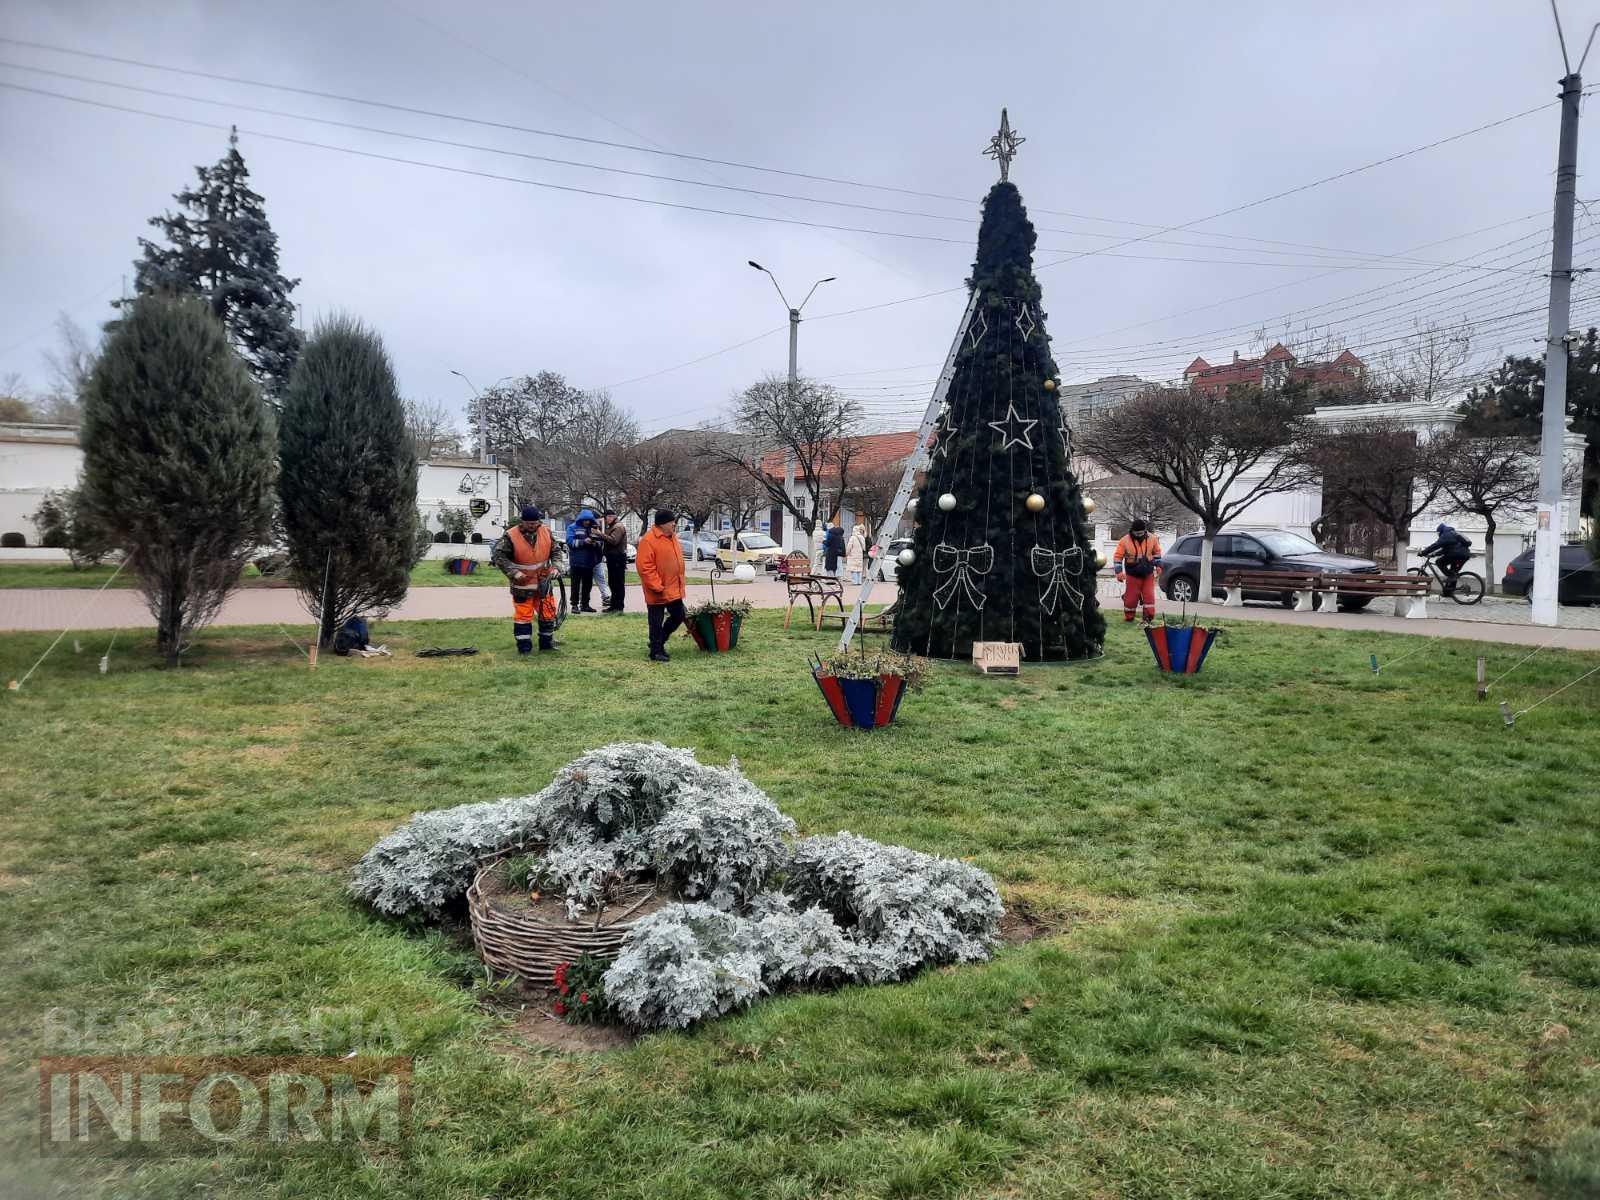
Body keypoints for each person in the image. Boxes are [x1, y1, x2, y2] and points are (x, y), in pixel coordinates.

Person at [491, 505, 565, 653]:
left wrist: (557, 567)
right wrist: (514, 573)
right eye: (529, 523)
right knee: (523, 616)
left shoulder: (546, 531)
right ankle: (524, 648)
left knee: (548, 613)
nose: (533, 526)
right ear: (522, 522)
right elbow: (499, 557)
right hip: (522, 585)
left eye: (535, 522)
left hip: (544, 582)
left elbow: (556, 551)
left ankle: (547, 644)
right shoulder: (510, 535)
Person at [636, 509, 687, 662]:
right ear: (663, 524)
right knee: (656, 622)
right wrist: (656, 586)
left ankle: (657, 643)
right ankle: (656, 652)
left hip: (673, 587)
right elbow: (644, 567)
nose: (674, 524)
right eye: (672, 522)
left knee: (679, 615)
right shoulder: (649, 540)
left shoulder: (672, 537)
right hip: (657, 589)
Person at [1112, 519, 1163, 623]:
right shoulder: (1124, 541)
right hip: (1132, 573)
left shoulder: (1153, 539)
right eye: (1137, 533)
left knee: (1149, 596)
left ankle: (1148, 617)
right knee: (1131, 598)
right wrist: (1119, 572)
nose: (1139, 535)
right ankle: (1129, 617)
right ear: (1132, 531)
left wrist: (1159, 566)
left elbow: (1157, 553)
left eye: (1141, 532)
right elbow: (1118, 557)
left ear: (1145, 530)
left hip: (1148, 572)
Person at [565, 508, 602, 613]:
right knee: (575, 585)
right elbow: (570, 542)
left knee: (587, 585)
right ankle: (574, 605)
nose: (587, 522)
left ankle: (585, 604)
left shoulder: (593, 528)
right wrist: (584, 542)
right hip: (576, 562)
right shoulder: (572, 528)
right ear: (581, 519)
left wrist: (595, 543)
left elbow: (600, 542)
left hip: (589, 562)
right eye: (585, 520)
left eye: (589, 520)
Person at [1420, 522, 1472, 594]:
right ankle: (1448, 592)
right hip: (1464, 555)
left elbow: (1435, 545)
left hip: (1457, 554)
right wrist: (1434, 554)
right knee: (1453, 573)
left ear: (1441, 530)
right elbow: (1446, 550)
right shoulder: (1453, 533)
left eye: (1438, 533)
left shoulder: (1446, 534)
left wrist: (1423, 552)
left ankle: (1451, 579)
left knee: (1439, 562)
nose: (1438, 535)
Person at [599, 509, 629, 613]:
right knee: (612, 582)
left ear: (611, 517)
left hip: (618, 558)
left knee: (618, 583)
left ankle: (619, 607)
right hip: (612, 558)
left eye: (607, 518)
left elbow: (614, 540)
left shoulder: (618, 527)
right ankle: (613, 606)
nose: (607, 520)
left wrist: (600, 534)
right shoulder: (612, 526)